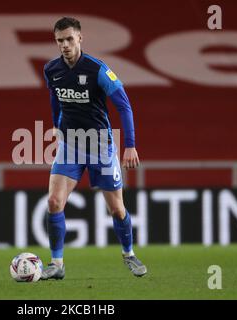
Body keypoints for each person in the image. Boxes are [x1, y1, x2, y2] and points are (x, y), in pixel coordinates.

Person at [41, 17, 147, 280]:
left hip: (100, 145)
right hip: (70, 144)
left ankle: (129, 254)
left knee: (117, 209)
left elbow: (124, 105)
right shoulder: (51, 69)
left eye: (69, 39)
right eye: (59, 40)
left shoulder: (98, 69)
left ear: (80, 38)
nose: (64, 45)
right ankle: (56, 263)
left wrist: (130, 146)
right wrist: (56, 125)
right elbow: (54, 96)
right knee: (54, 202)